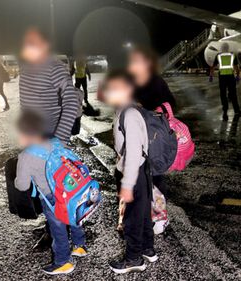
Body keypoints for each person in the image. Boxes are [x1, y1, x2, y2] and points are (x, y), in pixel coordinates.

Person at [14, 111, 87, 275]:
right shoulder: (56, 143)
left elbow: (23, 186)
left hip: (51, 198)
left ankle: (63, 262)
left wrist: (16, 181)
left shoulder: (25, 156)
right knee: (74, 216)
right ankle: (80, 246)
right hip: (70, 190)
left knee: (58, 229)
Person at [103, 70, 157, 274]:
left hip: (133, 171)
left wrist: (127, 184)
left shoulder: (130, 114)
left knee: (133, 216)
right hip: (138, 170)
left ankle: (134, 258)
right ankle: (147, 249)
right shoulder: (127, 111)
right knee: (142, 212)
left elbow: (133, 152)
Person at [19, 27, 81, 144]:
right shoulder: (25, 68)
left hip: (48, 135)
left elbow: (71, 102)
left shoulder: (55, 68)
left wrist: (59, 140)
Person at [127, 46, 175, 195]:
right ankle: (158, 209)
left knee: (146, 170)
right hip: (155, 132)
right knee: (154, 169)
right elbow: (171, 103)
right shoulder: (155, 80)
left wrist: (145, 107)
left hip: (146, 133)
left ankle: (150, 206)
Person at [210, 42, 241, 121]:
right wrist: (238, 75)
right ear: (228, 48)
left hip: (222, 77)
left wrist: (211, 76)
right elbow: (236, 67)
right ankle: (237, 111)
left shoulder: (218, 56)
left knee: (223, 94)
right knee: (233, 94)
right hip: (230, 77)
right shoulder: (232, 55)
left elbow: (213, 67)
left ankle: (225, 110)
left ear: (221, 48)